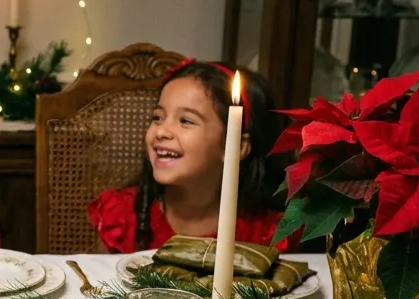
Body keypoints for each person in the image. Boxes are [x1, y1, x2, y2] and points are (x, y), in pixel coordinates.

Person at [87, 61, 288, 254]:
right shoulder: (123, 217)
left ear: (236, 147)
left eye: (186, 120)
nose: (162, 131)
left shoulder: (268, 232)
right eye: (157, 117)